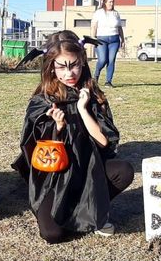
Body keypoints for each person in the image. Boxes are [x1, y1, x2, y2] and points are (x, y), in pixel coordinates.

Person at [12, 30, 134, 244]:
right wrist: (58, 127)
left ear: (83, 62)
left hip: (89, 169)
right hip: (54, 178)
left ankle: (93, 212)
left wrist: (83, 109)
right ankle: (79, 211)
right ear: (51, 67)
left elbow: (104, 142)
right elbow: (36, 151)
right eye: (61, 66)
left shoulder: (91, 94)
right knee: (53, 234)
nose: (69, 73)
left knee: (124, 171)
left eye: (74, 65)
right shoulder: (43, 101)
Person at [91, 0, 125, 87]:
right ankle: (96, 75)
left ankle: (108, 81)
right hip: (101, 39)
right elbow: (94, 26)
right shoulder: (98, 13)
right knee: (102, 60)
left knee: (111, 60)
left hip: (114, 40)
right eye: (109, 2)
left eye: (113, 2)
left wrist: (122, 39)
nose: (111, 4)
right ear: (105, 2)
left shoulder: (116, 14)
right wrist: (93, 38)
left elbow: (119, 27)